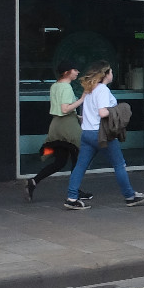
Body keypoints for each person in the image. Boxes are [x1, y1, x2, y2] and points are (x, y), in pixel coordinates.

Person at [63, 61, 144, 209]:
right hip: (102, 134)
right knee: (119, 164)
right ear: (105, 74)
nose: (112, 74)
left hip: (87, 133)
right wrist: (118, 110)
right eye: (110, 71)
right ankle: (130, 196)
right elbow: (102, 112)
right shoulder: (102, 89)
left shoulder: (90, 90)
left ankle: (71, 198)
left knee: (80, 166)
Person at [26, 61, 93, 202]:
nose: (77, 72)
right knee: (80, 157)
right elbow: (65, 109)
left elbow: (60, 109)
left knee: (60, 162)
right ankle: (74, 191)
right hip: (67, 126)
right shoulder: (66, 87)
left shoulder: (55, 86)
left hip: (56, 124)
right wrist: (82, 99)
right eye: (75, 70)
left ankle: (34, 181)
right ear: (66, 72)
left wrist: (77, 116)